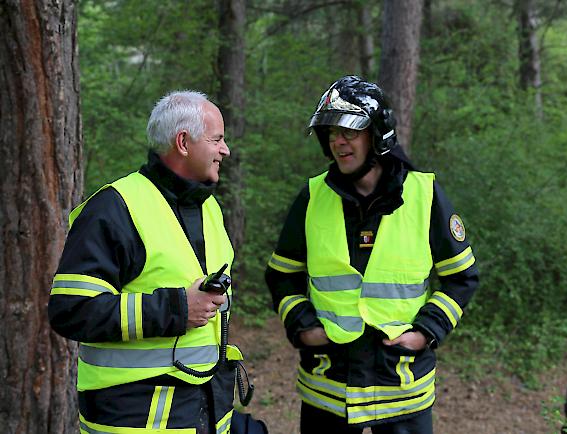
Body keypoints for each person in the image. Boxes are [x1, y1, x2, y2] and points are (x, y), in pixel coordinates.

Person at [265, 76, 479, 433]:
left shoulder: (425, 195)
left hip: (402, 386)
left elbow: (462, 278)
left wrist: (426, 331)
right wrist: (302, 325)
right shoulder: (312, 197)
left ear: (377, 135)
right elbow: (281, 275)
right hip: (327, 385)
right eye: (331, 132)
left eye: (349, 131)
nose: (337, 141)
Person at [48, 91, 253, 434]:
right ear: (183, 142)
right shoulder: (115, 208)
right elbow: (70, 310)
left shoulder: (208, 207)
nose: (225, 150)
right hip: (136, 419)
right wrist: (175, 308)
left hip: (204, 412)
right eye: (217, 139)